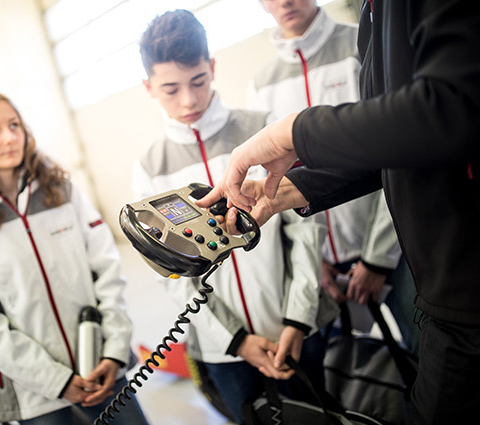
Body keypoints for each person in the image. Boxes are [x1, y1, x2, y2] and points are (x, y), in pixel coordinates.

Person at [196, 1, 480, 424]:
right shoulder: (373, 18)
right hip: (439, 282)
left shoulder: (362, 32)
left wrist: (295, 132)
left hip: (453, 275)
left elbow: (444, 110)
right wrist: (285, 193)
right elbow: (384, 150)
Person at [134, 10, 335, 423]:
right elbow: (169, 273)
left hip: (296, 332)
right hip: (224, 350)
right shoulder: (150, 168)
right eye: (171, 89)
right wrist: (237, 340)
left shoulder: (263, 130)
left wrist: (297, 318)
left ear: (212, 68)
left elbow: (305, 229)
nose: (188, 100)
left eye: (197, 81)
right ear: (148, 87)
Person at [0, 91, 149, 425]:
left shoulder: (62, 192)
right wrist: (56, 381)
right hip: (37, 392)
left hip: (103, 367)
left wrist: (114, 351)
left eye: (15, 125)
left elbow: (107, 269)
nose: (10, 137)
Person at [248, 0, 418, 354]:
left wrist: (377, 259)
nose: (285, 1)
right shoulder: (261, 84)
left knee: (426, 356)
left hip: (396, 250)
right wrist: (315, 262)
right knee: (350, 371)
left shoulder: (363, 46)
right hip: (324, 269)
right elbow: (273, 182)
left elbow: (396, 154)